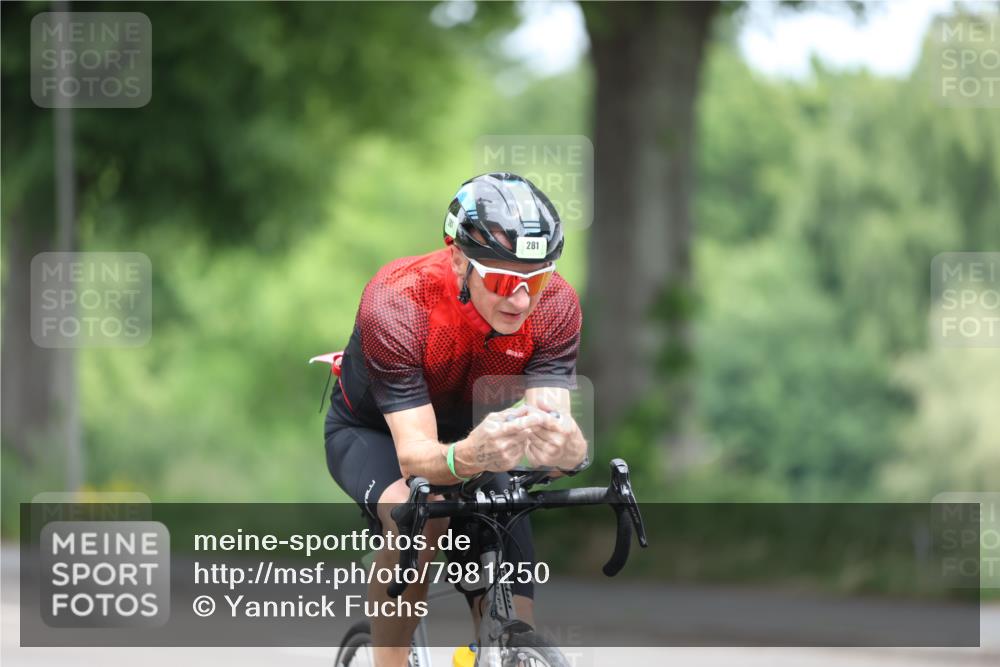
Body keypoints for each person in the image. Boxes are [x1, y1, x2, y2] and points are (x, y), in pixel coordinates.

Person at [324, 172, 589, 667]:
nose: (521, 300)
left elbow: (555, 440)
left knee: (507, 526)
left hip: (474, 432)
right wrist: (470, 456)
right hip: (375, 432)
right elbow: (417, 458)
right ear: (458, 258)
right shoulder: (397, 300)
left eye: (538, 278)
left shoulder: (555, 307)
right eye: (506, 280)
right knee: (418, 518)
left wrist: (568, 450)